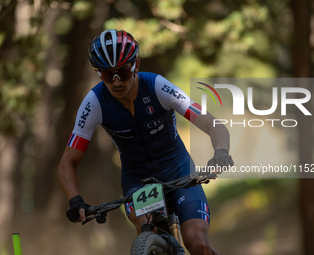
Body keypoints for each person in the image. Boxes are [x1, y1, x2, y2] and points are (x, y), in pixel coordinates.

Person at [58, 29, 233, 255]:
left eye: (122, 71)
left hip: (179, 171)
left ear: (136, 65)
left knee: (196, 241)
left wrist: (220, 151)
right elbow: (67, 163)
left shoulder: (158, 86)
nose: (117, 82)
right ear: (99, 74)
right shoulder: (94, 103)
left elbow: (213, 124)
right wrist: (75, 200)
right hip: (137, 181)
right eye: (109, 75)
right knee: (147, 229)